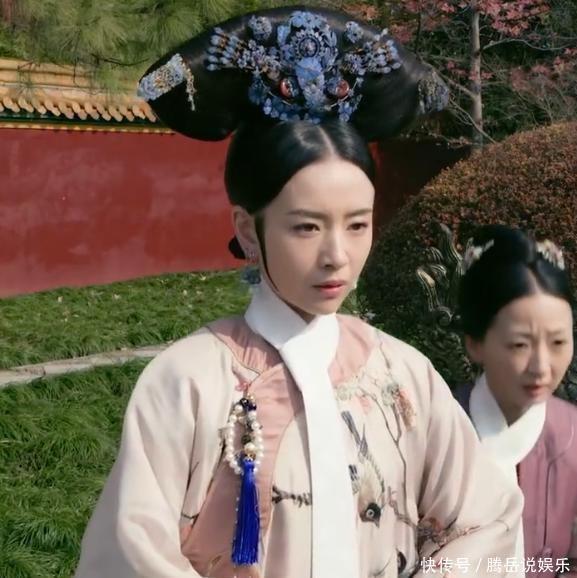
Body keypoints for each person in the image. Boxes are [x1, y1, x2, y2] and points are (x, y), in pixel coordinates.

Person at [74, 7, 522, 578]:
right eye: (307, 227)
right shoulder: (186, 383)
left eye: (357, 225)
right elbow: (129, 552)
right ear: (248, 230)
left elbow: (488, 519)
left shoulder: (403, 376)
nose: (337, 254)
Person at [454, 224, 577, 577]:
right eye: (520, 345)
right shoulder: (436, 432)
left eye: (558, 342)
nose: (542, 367)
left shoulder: (573, 435)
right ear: (475, 342)